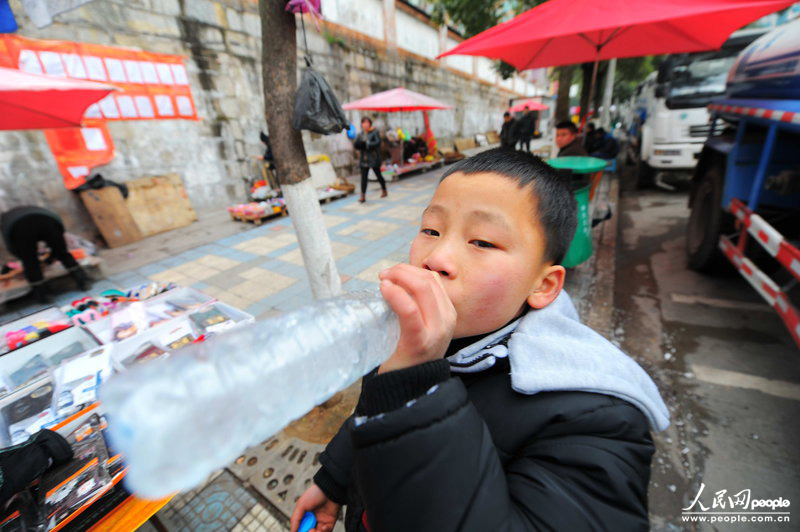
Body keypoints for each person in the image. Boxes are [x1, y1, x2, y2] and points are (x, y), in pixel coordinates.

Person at [290, 148, 669, 532]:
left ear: (543, 285)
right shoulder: (416, 335)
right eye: (431, 230)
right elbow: (376, 408)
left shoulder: (597, 420)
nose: (436, 258)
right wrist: (335, 479)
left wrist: (416, 387)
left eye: (483, 242)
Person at [1, 206, 92, 303]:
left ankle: (44, 295)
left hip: (21, 229)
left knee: (30, 262)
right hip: (47, 221)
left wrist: (24, 257)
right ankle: (83, 281)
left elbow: (12, 245)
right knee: (62, 253)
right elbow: (60, 230)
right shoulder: (27, 210)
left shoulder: (5, 221)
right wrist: (55, 252)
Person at [353, 117, 387, 203]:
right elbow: (356, 144)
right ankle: (363, 196)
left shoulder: (374, 132)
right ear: (361, 124)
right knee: (363, 178)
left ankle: (384, 189)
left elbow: (378, 142)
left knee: (378, 175)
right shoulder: (360, 134)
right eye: (363, 122)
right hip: (364, 159)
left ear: (370, 124)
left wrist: (367, 143)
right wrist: (359, 144)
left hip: (373, 158)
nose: (365, 124)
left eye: (367, 122)